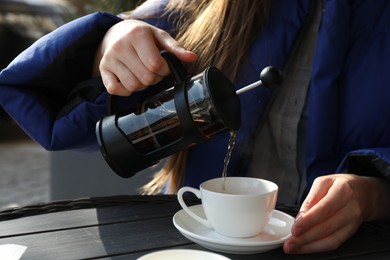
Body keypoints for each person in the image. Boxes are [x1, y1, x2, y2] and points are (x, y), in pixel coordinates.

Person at [1, 0, 390, 255]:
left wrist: (377, 193)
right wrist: (105, 45)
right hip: (193, 249)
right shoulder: (209, 7)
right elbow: (55, 119)